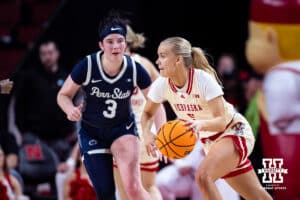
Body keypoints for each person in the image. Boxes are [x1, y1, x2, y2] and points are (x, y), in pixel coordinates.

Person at [141, 37, 272, 200]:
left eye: (162, 56)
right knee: (257, 196)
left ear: (178, 60)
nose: (157, 61)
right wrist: (147, 133)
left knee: (203, 177)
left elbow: (222, 121)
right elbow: (147, 113)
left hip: (233, 131)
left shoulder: (202, 79)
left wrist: (200, 124)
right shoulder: (162, 84)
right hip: (210, 142)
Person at [57, 13, 152, 200]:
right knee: (106, 193)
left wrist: (152, 130)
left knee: (133, 187)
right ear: (101, 45)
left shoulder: (135, 68)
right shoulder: (87, 65)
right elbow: (63, 95)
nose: (116, 46)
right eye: (110, 41)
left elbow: (155, 100)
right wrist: (69, 109)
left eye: (120, 41)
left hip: (122, 129)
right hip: (92, 132)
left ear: (126, 43)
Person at [246, 0, 300, 199]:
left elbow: (279, 116)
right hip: (262, 144)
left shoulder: (280, 78)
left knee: (281, 189)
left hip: (283, 147)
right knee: (272, 184)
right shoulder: (257, 97)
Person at [113, 24, 166, 200]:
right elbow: (165, 94)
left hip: (120, 135)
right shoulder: (144, 63)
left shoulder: (107, 66)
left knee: (125, 191)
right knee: (150, 186)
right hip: (145, 133)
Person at [12, 40, 75, 160]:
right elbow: (19, 106)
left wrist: (69, 131)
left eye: (50, 53)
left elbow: (72, 104)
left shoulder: (66, 78)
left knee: (61, 174)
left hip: (60, 140)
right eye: (43, 54)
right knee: (35, 172)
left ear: (57, 54)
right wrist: (24, 132)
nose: (47, 57)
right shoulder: (29, 78)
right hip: (35, 138)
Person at [156, 140, 240, 200]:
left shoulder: (222, 122)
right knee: (159, 182)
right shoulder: (184, 116)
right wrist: (179, 163)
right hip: (186, 174)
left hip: (213, 177)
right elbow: (167, 147)